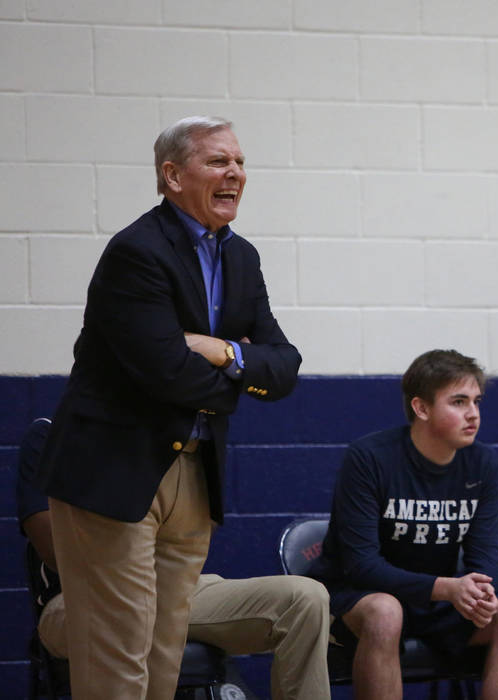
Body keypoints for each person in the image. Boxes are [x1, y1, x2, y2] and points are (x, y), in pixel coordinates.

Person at [33, 116, 302, 700]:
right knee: (118, 662)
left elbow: (285, 367)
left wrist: (217, 350)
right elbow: (166, 374)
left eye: (239, 161)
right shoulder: (137, 251)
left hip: (194, 473)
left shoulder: (243, 258)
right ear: (172, 175)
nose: (235, 173)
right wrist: (241, 367)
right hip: (114, 472)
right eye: (217, 162)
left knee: (164, 662)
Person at [18, 418, 331, 700]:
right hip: (81, 599)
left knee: (304, 598)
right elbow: (52, 548)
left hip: (174, 590)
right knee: (131, 619)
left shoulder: (177, 439)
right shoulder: (51, 431)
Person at [308, 349, 498, 700]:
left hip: (437, 597)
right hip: (358, 595)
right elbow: (361, 565)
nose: (473, 414)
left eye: (476, 401)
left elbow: (486, 557)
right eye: (458, 402)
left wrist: (482, 594)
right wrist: (447, 588)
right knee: (386, 612)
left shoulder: (484, 463)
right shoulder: (369, 458)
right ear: (422, 408)